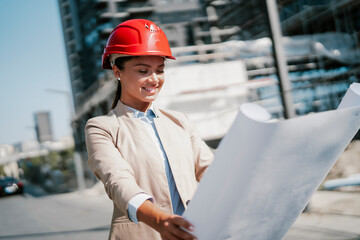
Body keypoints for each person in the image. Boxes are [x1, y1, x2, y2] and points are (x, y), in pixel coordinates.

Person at [85, 19, 214, 240]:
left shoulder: (180, 121)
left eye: (160, 70)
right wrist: (161, 221)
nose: (154, 79)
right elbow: (118, 182)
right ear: (117, 72)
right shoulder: (102, 128)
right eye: (143, 70)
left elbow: (210, 169)